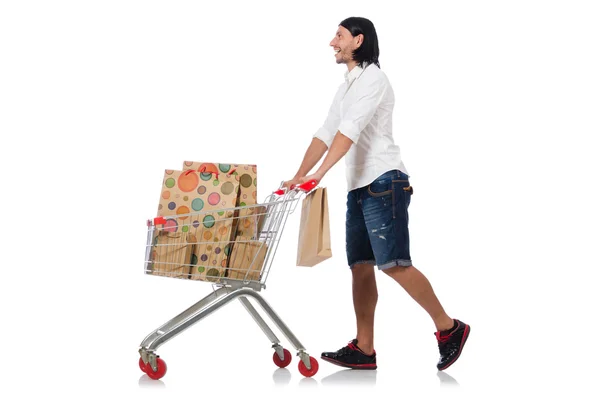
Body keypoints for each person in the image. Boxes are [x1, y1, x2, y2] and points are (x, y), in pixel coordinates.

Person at [283, 17, 470, 371]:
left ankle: (449, 328)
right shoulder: (347, 86)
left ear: (358, 40)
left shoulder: (374, 80)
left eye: (338, 36)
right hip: (359, 187)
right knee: (361, 267)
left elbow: (349, 131)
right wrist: (299, 174)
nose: (331, 42)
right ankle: (364, 348)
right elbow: (326, 132)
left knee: (394, 264)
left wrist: (320, 173)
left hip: (385, 182)